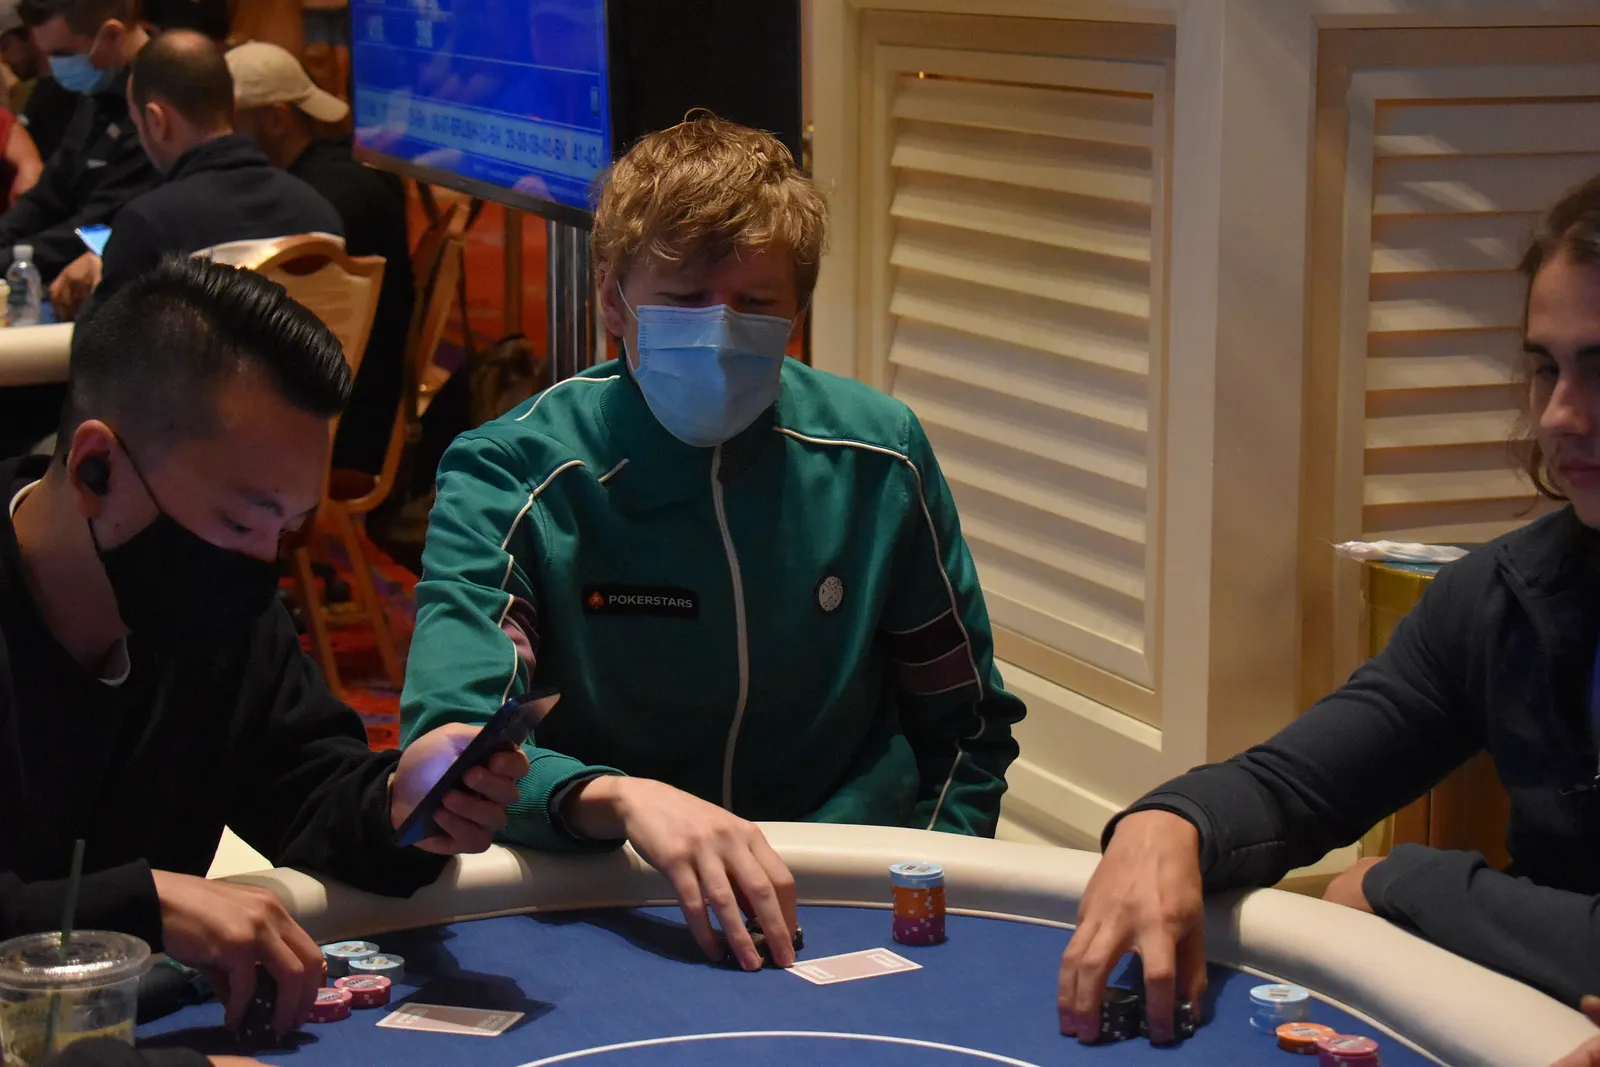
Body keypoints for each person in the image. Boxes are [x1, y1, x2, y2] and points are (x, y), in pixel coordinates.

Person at [400, 114, 1025, 973]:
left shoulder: (880, 453)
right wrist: (613, 798)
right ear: (612, 298)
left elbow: (967, 725)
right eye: (687, 299)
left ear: (798, 311)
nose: (721, 329)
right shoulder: (512, 470)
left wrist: (922, 881)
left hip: (845, 894)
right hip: (613, 896)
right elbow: (454, 747)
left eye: (756, 304)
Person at [1057, 176, 1600, 1043]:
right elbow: (1295, 786)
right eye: (1546, 368)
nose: (1562, 414)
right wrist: (1170, 822)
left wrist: (1402, 882)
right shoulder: (1506, 594)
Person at [1, 256, 532, 1038]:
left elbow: (307, 787)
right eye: (241, 521)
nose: (262, 562)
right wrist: (147, 905)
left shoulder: (225, 617)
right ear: (96, 466)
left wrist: (401, 801)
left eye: (289, 528)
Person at [50, 30, 340, 322]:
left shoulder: (148, 226)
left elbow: (98, 348)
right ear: (233, 108)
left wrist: (103, 277)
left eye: (138, 124)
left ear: (157, 120)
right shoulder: (320, 214)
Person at [228, 40, 415, 478]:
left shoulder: (313, 205)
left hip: (337, 435)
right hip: (364, 411)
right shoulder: (356, 166)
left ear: (276, 119)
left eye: (226, 121)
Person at [5, 0, 159, 281]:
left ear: (111, 35)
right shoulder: (99, 86)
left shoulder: (157, 102)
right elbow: (52, 189)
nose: (54, 66)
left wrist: (11, 257)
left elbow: (98, 226)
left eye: (63, 54)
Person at [0, 0, 75, 156]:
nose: (5, 60)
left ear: (30, 35)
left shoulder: (69, 92)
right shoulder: (38, 96)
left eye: (5, 46)